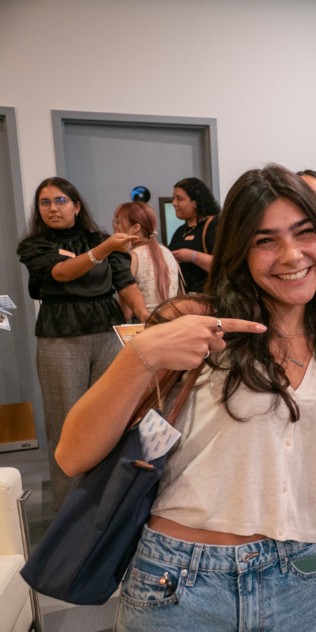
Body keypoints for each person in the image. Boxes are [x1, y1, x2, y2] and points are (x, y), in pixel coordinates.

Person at [54, 164, 316, 632]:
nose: (291, 255)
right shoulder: (191, 321)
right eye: (266, 240)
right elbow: (71, 455)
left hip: (297, 588)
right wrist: (141, 356)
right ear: (239, 252)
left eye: (304, 233)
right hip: (178, 590)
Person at [17, 177, 148, 510]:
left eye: (60, 201)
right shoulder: (35, 245)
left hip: (106, 334)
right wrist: (103, 250)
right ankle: (68, 512)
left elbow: (124, 281)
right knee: (66, 424)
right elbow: (62, 273)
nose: (52, 208)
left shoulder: (100, 239)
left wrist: (148, 316)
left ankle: (109, 503)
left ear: (76, 205)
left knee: (112, 419)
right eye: (44, 203)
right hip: (60, 338)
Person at [113, 200, 181, 316]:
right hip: (170, 321)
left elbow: (126, 311)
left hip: (144, 324)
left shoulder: (132, 256)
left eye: (118, 222)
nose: (115, 227)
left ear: (136, 228)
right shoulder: (167, 252)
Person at [167, 177, 220, 293]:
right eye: (173, 198)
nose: (174, 203)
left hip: (208, 300)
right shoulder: (180, 231)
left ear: (195, 202)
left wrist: (193, 256)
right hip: (184, 299)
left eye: (179, 199)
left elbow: (223, 266)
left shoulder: (214, 225)